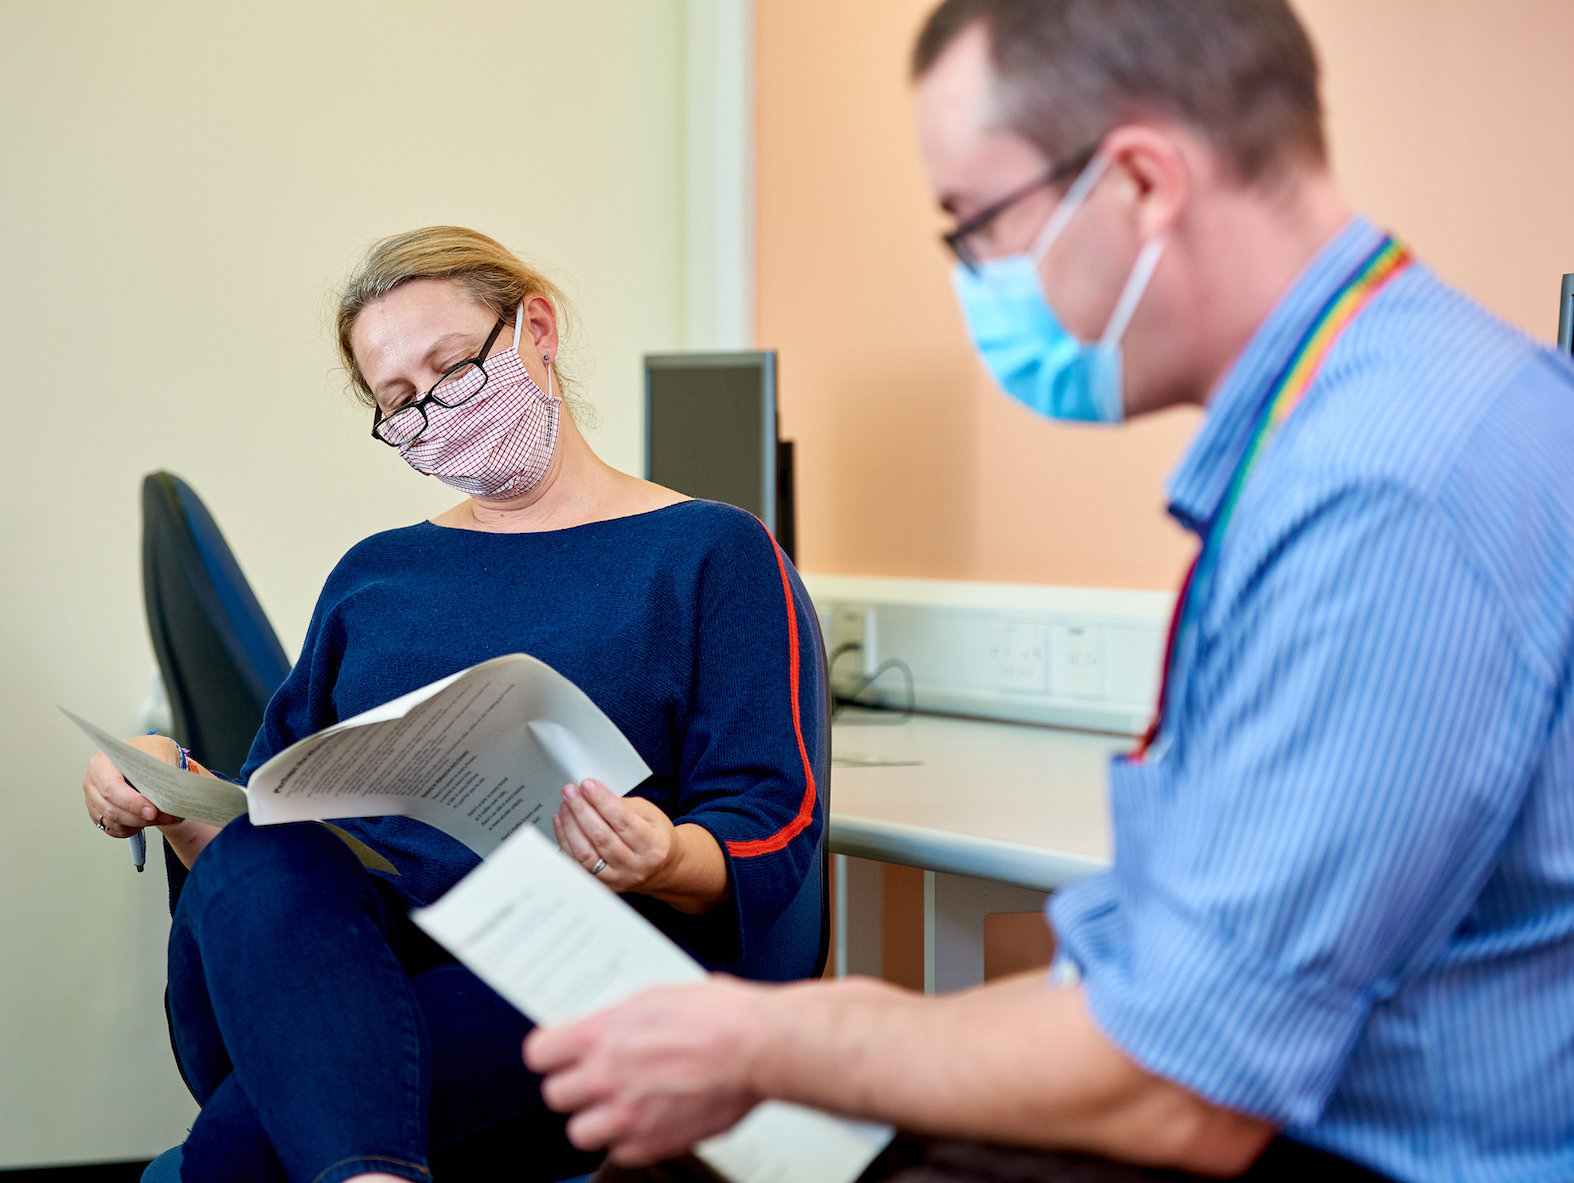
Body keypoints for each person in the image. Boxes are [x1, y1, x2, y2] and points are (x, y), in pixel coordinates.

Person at [524, 2, 1574, 1181]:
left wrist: (768, 1037)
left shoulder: (1384, 489)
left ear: (1136, 181)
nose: (977, 278)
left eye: (977, 225)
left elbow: (1181, 1083)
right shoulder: (1378, 412)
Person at [79, 226, 828, 1183]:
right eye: (401, 402)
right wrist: (169, 790)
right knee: (268, 846)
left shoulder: (709, 554)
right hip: (354, 955)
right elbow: (269, 816)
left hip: (571, 963)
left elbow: (774, 817)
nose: (435, 409)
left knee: (237, 1150)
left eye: (456, 369)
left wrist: (663, 849)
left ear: (537, 330)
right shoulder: (378, 573)